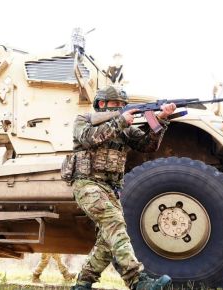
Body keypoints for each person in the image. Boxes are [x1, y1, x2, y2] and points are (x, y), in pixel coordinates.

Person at [70, 86, 175, 290]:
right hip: (87, 184)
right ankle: (137, 281)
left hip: (111, 188)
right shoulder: (83, 120)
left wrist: (160, 119)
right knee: (114, 223)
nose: (120, 107)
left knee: (108, 239)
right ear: (102, 104)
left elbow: (148, 146)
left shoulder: (125, 129)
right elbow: (88, 139)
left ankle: (83, 284)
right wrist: (119, 121)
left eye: (122, 105)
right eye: (116, 104)